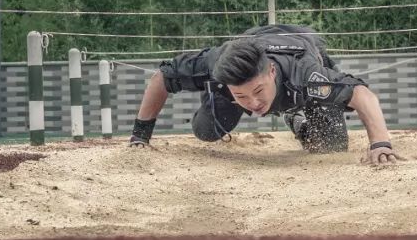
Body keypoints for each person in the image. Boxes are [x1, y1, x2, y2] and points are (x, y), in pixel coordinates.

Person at [128, 24, 399, 165]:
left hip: (304, 50)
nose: (255, 104)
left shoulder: (306, 75)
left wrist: (380, 144)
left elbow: (362, 94)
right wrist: (140, 136)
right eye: (243, 96)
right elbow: (161, 78)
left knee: (330, 146)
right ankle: (223, 100)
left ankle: (296, 119)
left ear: (271, 72)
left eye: (258, 91)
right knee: (206, 131)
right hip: (249, 43)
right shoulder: (216, 63)